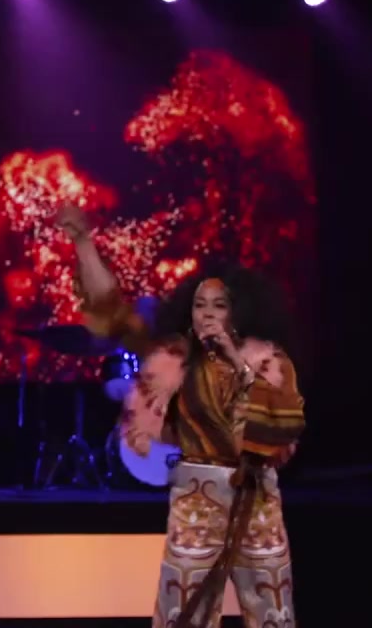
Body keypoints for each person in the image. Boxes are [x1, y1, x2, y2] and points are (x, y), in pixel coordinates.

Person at [56, 203, 304, 628]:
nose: (208, 314)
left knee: (271, 618)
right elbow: (112, 313)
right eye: (200, 305)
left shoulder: (267, 361)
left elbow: (281, 438)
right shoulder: (174, 356)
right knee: (182, 617)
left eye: (219, 306)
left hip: (254, 505)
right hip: (196, 505)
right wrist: (83, 244)